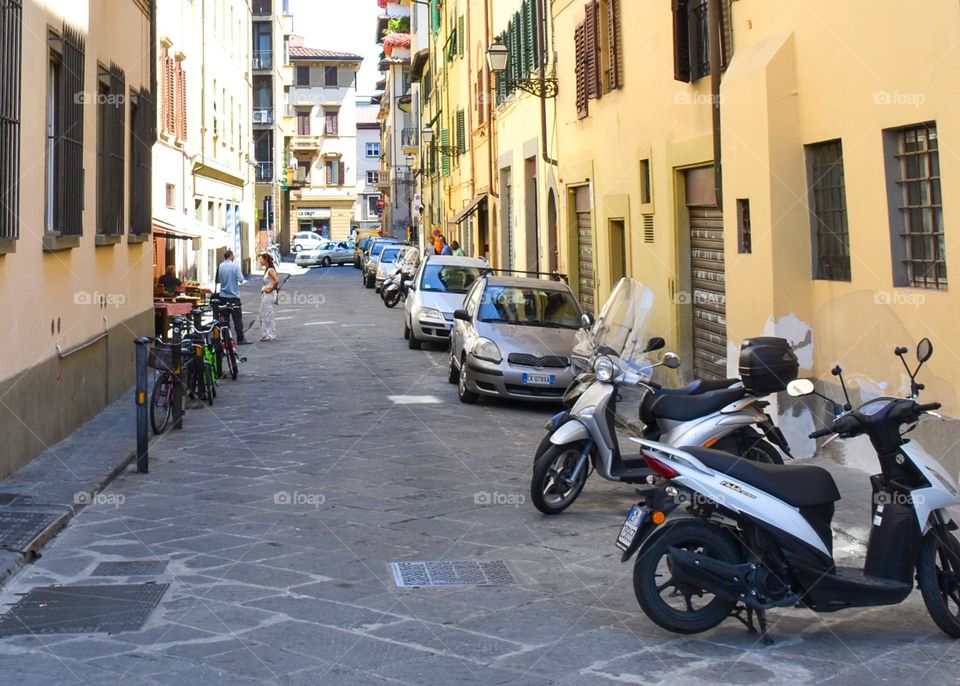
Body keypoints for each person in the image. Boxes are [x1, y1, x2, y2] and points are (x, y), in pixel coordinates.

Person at [217, 249, 248, 344]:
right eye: (233, 255)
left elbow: (219, 280)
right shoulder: (235, 266)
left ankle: (226, 339)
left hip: (223, 296)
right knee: (237, 319)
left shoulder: (220, 266)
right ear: (231, 255)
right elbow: (241, 279)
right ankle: (240, 338)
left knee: (224, 320)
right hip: (234, 297)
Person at [258, 252, 281, 342]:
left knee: (267, 313)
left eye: (261, 259)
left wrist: (270, 288)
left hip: (269, 295)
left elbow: (277, 280)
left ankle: (269, 334)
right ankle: (266, 334)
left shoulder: (270, 270)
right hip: (266, 294)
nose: (260, 261)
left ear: (265, 260)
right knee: (264, 313)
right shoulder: (268, 270)